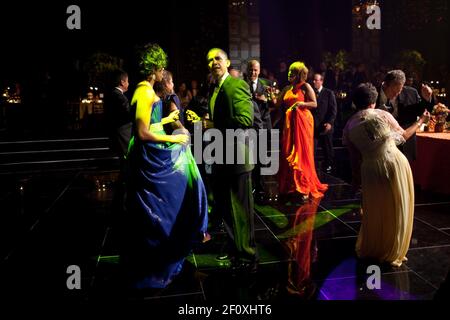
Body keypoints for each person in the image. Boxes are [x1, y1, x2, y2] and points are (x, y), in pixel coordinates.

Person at [122, 43, 209, 289]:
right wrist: (174, 137)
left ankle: (167, 249)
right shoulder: (146, 91)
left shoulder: (144, 89)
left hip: (148, 155)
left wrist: (167, 120)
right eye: (160, 67)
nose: (163, 72)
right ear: (154, 67)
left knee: (156, 206)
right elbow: (141, 133)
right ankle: (159, 259)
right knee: (160, 205)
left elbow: (150, 124)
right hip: (147, 157)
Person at [343, 83, 430, 267]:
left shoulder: (349, 126)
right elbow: (403, 136)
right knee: (397, 207)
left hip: (369, 169)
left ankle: (375, 246)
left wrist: (355, 181)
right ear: (373, 101)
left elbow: (354, 158)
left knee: (376, 209)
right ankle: (393, 249)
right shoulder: (383, 115)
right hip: (394, 163)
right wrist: (420, 121)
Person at [203, 48, 257, 272]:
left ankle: (249, 256)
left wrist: (216, 125)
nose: (214, 62)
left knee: (241, 211)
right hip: (221, 156)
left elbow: (246, 119)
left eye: (217, 58)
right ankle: (236, 250)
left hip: (237, 158)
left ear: (226, 62)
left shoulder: (236, 84)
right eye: (210, 60)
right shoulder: (214, 88)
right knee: (226, 209)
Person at [273, 61, 328, 201]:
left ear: (299, 74)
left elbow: (314, 103)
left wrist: (301, 104)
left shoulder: (305, 86)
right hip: (289, 125)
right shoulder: (286, 88)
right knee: (287, 152)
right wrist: (271, 97)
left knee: (301, 152)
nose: (290, 73)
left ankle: (303, 187)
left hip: (303, 123)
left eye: (293, 72)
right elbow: (277, 104)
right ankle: (290, 186)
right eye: (289, 71)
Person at [376, 69, 434, 161]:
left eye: (398, 92)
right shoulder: (374, 93)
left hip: (405, 147)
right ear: (385, 84)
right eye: (393, 91)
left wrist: (426, 99)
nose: (395, 95)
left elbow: (422, 112)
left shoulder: (411, 93)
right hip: (380, 147)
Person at [103, 69, 132, 220]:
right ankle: (122, 201)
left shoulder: (112, 95)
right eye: (127, 80)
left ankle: (121, 199)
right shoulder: (117, 96)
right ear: (122, 82)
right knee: (126, 165)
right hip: (122, 135)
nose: (128, 83)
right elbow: (128, 112)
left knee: (124, 166)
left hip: (119, 134)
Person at [247, 59, 272, 201]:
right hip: (249, 126)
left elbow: (276, 102)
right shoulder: (243, 84)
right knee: (250, 158)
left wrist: (266, 99)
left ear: (259, 70)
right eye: (251, 69)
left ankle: (261, 187)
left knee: (261, 158)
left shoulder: (267, 84)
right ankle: (251, 186)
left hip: (263, 125)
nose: (253, 72)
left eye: (255, 70)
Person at [312, 73, 337, 174]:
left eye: (316, 80)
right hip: (314, 127)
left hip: (325, 126)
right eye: (313, 80)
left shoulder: (328, 93)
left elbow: (333, 110)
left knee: (327, 148)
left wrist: (329, 123)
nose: (313, 82)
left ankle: (329, 166)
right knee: (312, 149)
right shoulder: (311, 93)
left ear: (321, 81)